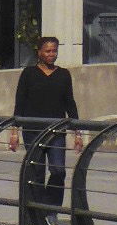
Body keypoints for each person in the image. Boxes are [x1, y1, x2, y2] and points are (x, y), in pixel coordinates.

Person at [7, 33, 78, 210]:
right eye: (47, 51)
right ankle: (39, 209)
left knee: (58, 170)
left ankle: (51, 207)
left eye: (54, 51)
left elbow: (70, 102)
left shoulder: (63, 74)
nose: (51, 54)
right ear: (39, 53)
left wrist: (78, 132)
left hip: (56, 132)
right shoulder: (28, 74)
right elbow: (20, 102)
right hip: (32, 131)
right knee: (37, 171)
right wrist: (14, 131)